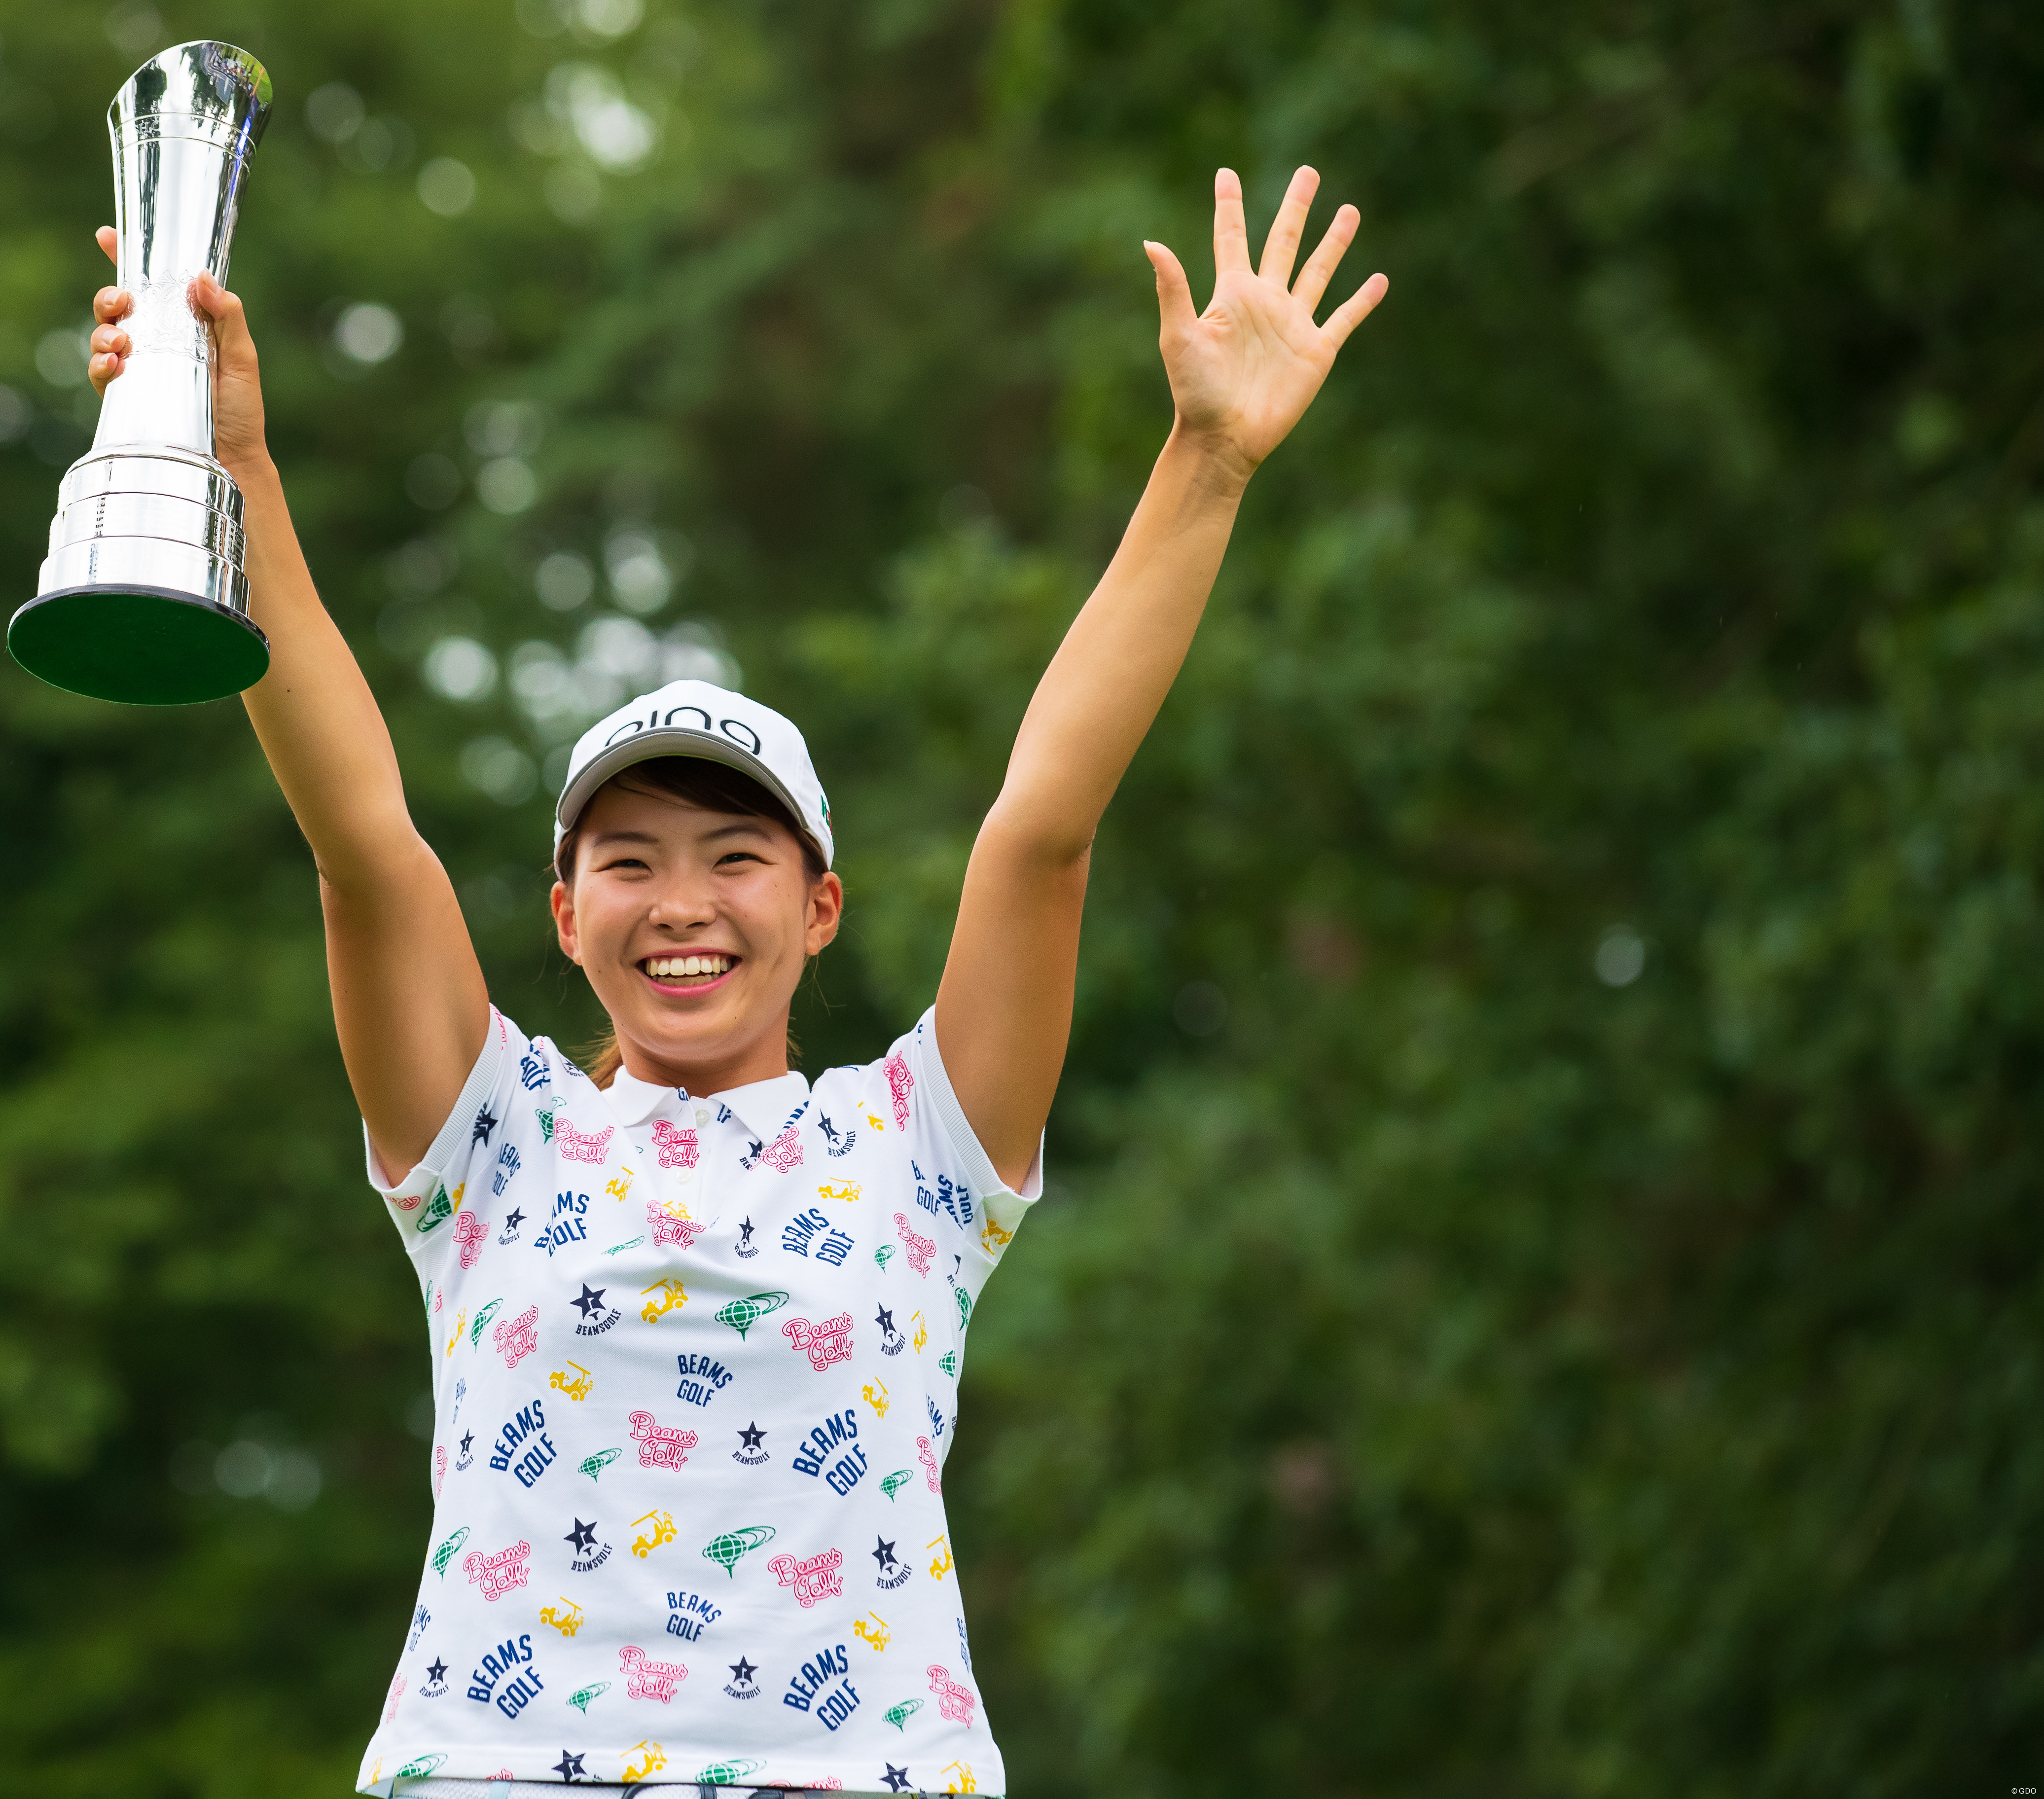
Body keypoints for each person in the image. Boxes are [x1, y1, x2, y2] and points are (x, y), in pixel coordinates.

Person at [85, 165, 1383, 1798]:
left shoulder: (918, 1152)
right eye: (627, 862)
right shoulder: (496, 1142)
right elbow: (362, 840)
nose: (680, 904)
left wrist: (1204, 462)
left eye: (736, 856)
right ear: (565, 917)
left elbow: (1044, 829)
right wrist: (242, 471)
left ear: (823, 907)